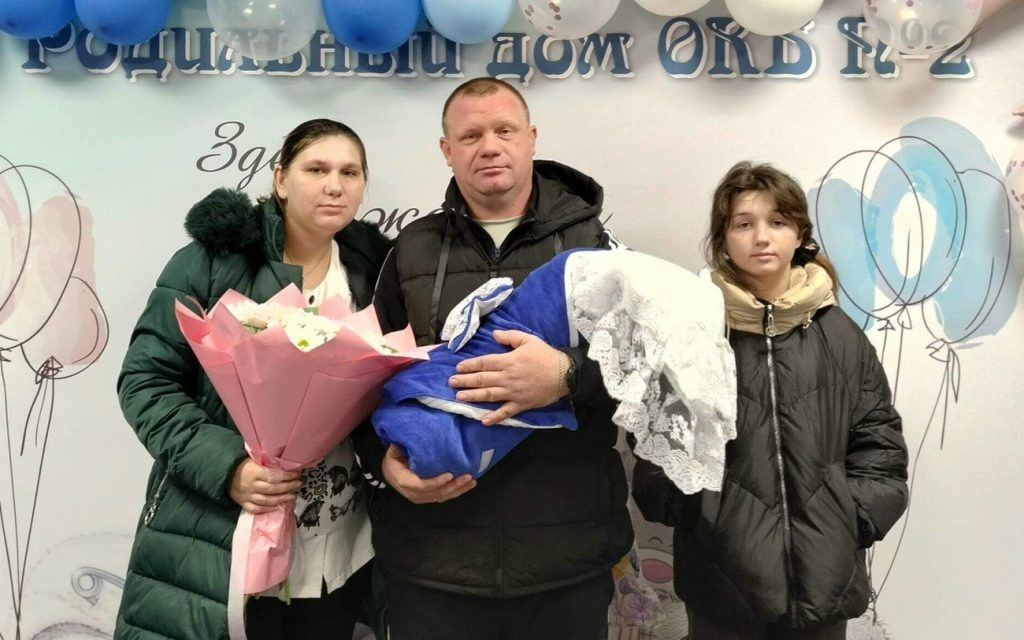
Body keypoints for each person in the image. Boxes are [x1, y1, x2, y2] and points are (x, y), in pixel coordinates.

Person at [352, 78, 633, 640]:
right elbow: (361, 379)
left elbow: (647, 372)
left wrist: (567, 376)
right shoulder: (410, 249)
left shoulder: (594, 247)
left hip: (565, 560)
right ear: (446, 149)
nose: (489, 146)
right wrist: (383, 464)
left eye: (504, 130)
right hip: (434, 561)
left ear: (531, 138)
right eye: (470, 135)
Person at [116, 119, 391, 640]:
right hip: (225, 533)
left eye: (350, 172)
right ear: (281, 179)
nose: (335, 185)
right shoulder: (212, 262)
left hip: (338, 547)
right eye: (317, 169)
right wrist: (229, 468)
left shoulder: (374, 270)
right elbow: (146, 381)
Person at [631, 161, 910, 640]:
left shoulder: (840, 336)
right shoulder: (690, 334)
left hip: (824, 585)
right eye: (744, 224)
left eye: (777, 221)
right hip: (721, 582)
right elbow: (657, 455)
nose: (762, 237)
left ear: (799, 234)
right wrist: (707, 519)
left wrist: (850, 519)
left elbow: (879, 444)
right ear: (723, 239)